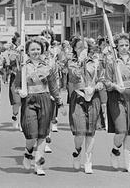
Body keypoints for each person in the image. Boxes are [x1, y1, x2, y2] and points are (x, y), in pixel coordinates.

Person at [16, 39, 62, 175]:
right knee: (31, 134)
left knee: (42, 134)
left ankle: (38, 164)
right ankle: (28, 152)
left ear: (41, 50)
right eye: (32, 50)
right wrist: (20, 91)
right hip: (29, 100)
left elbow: (53, 87)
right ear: (28, 52)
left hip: (44, 99)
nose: (35, 52)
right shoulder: (24, 66)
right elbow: (16, 85)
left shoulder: (47, 66)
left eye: (37, 49)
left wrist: (60, 103)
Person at [104, 33, 130, 173]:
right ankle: (114, 150)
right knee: (121, 130)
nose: (124, 48)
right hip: (116, 96)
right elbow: (106, 81)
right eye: (121, 45)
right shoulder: (111, 61)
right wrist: (114, 86)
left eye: (126, 45)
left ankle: (128, 163)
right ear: (116, 47)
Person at [67, 37, 105, 174]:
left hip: (93, 97)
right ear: (75, 49)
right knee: (79, 131)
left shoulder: (96, 62)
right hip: (78, 97)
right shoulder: (71, 62)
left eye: (85, 47)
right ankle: (77, 152)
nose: (82, 50)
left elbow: (102, 80)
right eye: (79, 47)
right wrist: (81, 61)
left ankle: (88, 161)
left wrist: (95, 88)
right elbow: (74, 76)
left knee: (90, 132)